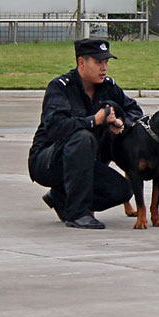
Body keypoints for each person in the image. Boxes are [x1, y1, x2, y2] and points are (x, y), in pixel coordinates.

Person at [28, 38, 143, 229]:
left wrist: (121, 122)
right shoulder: (60, 87)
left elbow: (134, 110)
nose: (104, 67)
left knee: (122, 190)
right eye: (98, 62)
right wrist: (94, 121)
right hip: (48, 160)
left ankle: (61, 196)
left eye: (106, 62)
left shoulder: (107, 87)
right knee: (82, 136)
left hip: (82, 162)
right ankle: (77, 214)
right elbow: (55, 126)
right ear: (82, 62)